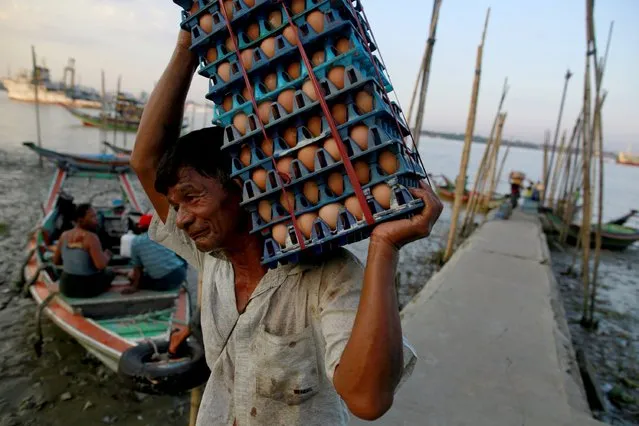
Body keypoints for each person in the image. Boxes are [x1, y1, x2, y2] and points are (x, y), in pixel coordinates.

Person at [130, 29, 442, 426]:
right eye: (176, 206)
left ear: (244, 187)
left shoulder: (327, 276)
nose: (182, 218)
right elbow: (145, 161)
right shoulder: (213, 257)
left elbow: (367, 398)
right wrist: (186, 47)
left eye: (192, 198)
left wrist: (384, 248)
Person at [52, 203, 115, 298]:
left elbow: (56, 261)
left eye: (96, 216)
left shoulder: (64, 235)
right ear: (80, 220)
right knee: (110, 273)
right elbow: (101, 265)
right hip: (85, 289)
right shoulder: (91, 237)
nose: (96, 220)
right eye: (92, 217)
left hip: (66, 287)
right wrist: (107, 255)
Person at [125, 214, 187, 293]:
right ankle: (182, 283)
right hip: (180, 274)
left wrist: (134, 286)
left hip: (164, 282)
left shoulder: (136, 242)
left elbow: (137, 268)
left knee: (132, 277)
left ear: (140, 227)